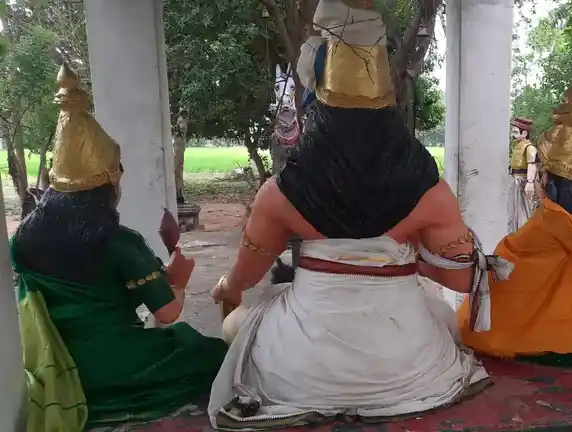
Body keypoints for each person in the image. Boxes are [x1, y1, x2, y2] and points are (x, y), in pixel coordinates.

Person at [206, 0, 509, 429]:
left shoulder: (279, 194)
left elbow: (245, 278)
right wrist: (400, 259)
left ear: (317, 104)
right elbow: (462, 279)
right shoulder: (431, 192)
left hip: (298, 368)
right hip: (409, 367)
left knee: (237, 326)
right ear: (389, 106)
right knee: (444, 319)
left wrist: (225, 288)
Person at [12, 63, 228, 431]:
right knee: (209, 352)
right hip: (117, 360)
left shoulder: (23, 238)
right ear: (108, 183)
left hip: (53, 363)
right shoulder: (118, 241)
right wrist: (179, 279)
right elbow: (167, 314)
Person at [459, 87, 572, 367]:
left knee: (474, 324)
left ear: (548, 178)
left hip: (570, 339)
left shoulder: (551, 221)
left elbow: (510, 262)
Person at [507, 117, 538, 233]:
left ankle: (523, 232)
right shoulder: (517, 146)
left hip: (523, 181)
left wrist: (530, 182)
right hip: (514, 180)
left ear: (524, 133)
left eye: (515, 132)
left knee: (523, 209)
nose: (513, 135)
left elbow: (532, 164)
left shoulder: (529, 148)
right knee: (514, 209)